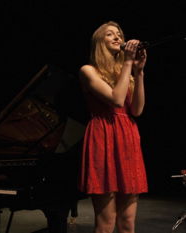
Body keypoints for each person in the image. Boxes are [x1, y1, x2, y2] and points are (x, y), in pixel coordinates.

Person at [78, 21, 148, 233]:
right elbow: (117, 100)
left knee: (128, 222)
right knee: (106, 223)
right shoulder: (88, 70)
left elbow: (136, 110)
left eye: (119, 34)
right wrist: (128, 63)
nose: (118, 37)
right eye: (110, 35)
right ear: (99, 42)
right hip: (104, 136)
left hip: (128, 137)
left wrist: (139, 73)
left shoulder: (125, 72)